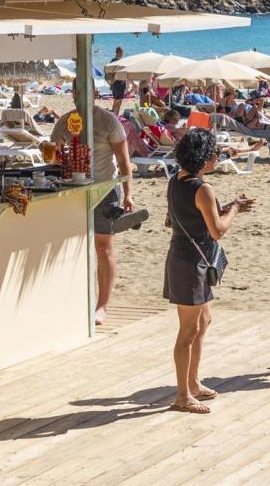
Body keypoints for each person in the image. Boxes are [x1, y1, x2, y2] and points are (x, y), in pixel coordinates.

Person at [163, 129, 254, 414]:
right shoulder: (203, 188)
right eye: (214, 153)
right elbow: (217, 231)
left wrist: (223, 208)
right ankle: (182, 395)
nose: (217, 156)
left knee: (203, 322)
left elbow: (175, 219)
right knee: (188, 331)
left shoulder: (175, 181)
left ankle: (192, 383)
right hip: (191, 263)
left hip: (183, 256)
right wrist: (234, 210)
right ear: (203, 158)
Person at [51, 86, 142, 325]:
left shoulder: (108, 121)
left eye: (85, 93)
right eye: (77, 93)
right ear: (73, 95)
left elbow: (123, 161)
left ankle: (102, 306)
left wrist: (128, 194)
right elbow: (53, 156)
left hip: (105, 189)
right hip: (74, 191)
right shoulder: (65, 122)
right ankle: (76, 301)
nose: (81, 97)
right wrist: (52, 153)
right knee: (73, 247)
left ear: (93, 94)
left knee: (103, 248)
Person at [109, 46, 128, 115]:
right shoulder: (119, 62)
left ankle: (114, 116)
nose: (122, 54)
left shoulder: (112, 61)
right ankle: (116, 116)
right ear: (119, 53)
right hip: (119, 83)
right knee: (118, 102)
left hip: (114, 84)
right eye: (122, 53)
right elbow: (121, 73)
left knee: (116, 100)